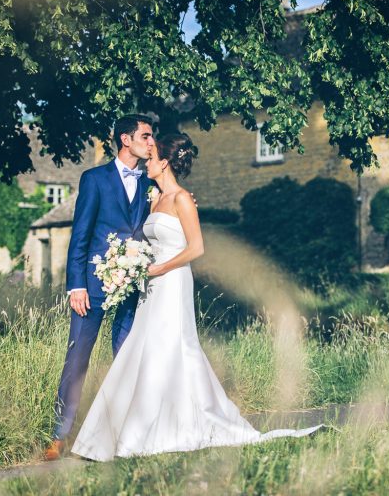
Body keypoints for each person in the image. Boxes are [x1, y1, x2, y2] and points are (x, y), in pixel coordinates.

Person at [70, 133, 321, 461]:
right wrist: (132, 263)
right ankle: (127, 428)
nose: (147, 160)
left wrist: (161, 269)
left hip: (173, 282)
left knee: (171, 345)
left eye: (152, 156)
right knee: (142, 347)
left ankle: (169, 426)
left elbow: (196, 247)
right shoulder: (153, 198)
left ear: (164, 163)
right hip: (151, 285)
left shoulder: (182, 199)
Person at [44, 114, 155, 461]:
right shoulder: (95, 179)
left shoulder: (150, 185)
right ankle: (58, 436)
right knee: (77, 358)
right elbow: (80, 234)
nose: (151, 142)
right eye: (146, 136)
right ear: (126, 139)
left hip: (131, 286)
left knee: (126, 358)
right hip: (91, 286)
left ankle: (121, 435)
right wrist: (75, 284)